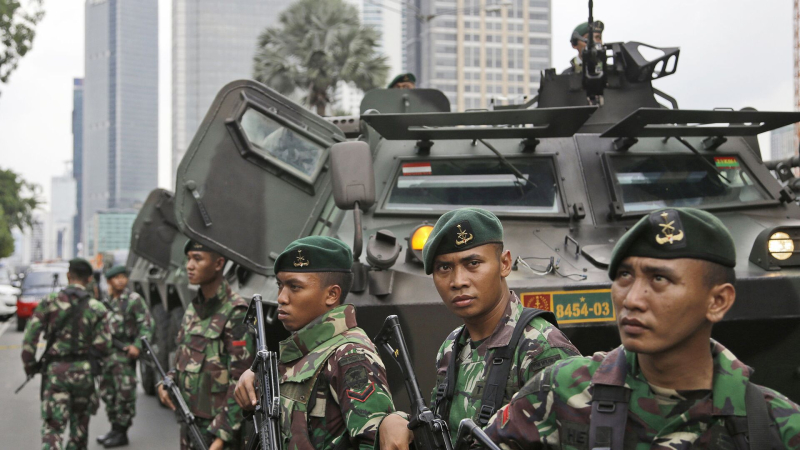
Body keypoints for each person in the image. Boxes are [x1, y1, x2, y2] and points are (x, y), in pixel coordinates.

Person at [482, 207, 800, 449]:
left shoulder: (776, 427)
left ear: (718, 301)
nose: (632, 299)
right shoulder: (558, 395)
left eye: (660, 279)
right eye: (624, 276)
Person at [379, 208, 580, 449]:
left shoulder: (542, 348)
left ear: (504, 264)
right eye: (444, 268)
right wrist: (396, 421)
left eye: (473, 263)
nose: (458, 281)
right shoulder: (453, 346)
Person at [233, 236, 396, 450]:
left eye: (295, 287)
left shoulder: (351, 355)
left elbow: (373, 443)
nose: (281, 297)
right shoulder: (305, 350)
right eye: (280, 285)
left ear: (331, 294)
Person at [158, 240, 255, 450]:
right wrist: (167, 380)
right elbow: (184, 360)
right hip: (189, 421)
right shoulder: (194, 309)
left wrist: (222, 436)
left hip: (216, 431)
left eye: (197, 259)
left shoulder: (235, 312)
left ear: (218, 263)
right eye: (188, 258)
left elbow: (241, 380)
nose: (189, 266)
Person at [21, 258, 111, 450]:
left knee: (53, 428)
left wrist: (30, 366)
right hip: (84, 375)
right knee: (79, 429)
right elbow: (105, 344)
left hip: (56, 373)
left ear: (68, 275)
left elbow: (30, 339)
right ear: (89, 279)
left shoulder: (49, 303)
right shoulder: (97, 308)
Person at [96, 265, 154, 448]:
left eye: (123, 277)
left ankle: (122, 432)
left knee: (124, 394)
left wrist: (137, 346)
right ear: (109, 281)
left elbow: (146, 325)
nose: (121, 280)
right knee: (108, 393)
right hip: (107, 355)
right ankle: (114, 428)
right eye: (116, 278)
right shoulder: (106, 301)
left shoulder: (133, 299)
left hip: (123, 354)